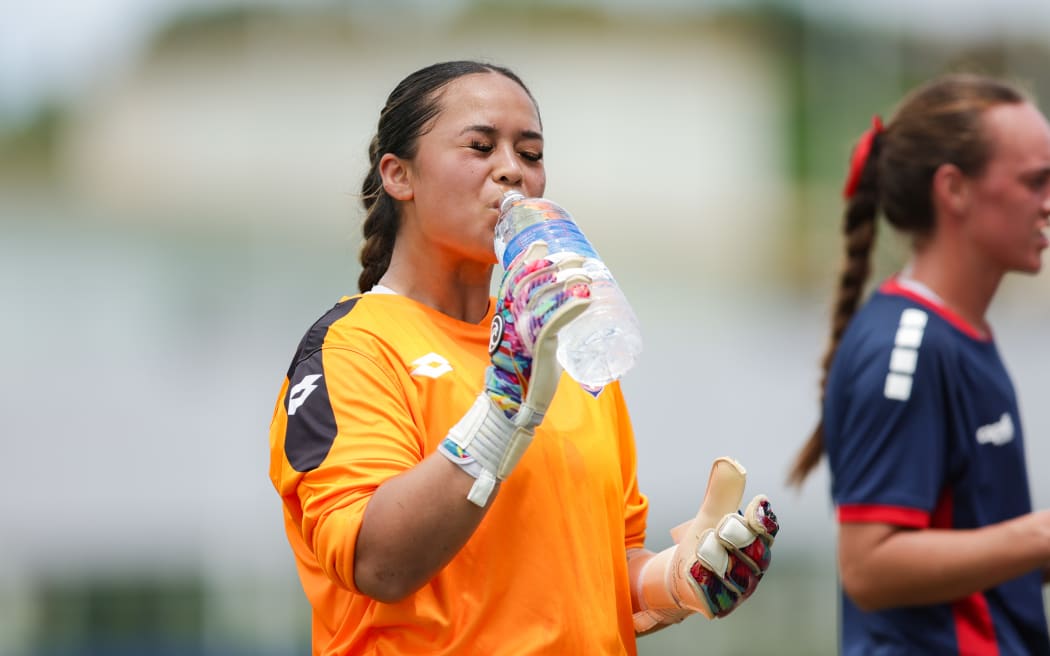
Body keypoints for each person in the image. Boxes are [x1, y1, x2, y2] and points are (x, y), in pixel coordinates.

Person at [268, 60, 779, 655]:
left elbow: (607, 568)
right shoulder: (353, 347)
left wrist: (681, 579)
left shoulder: (562, 343)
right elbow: (379, 563)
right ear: (398, 175)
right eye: (480, 146)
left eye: (530, 154)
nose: (511, 170)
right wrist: (504, 407)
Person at [787, 73, 1050, 654]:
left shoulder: (961, 332)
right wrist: (1041, 534)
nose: (1048, 203)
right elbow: (869, 567)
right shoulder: (906, 348)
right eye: (1035, 182)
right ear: (953, 189)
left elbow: (978, 546)